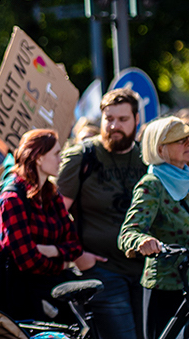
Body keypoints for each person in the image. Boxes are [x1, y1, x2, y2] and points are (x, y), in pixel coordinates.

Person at [57, 88, 147, 339]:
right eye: (109, 119)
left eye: (123, 119)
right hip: (104, 272)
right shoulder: (82, 157)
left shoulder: (147, 158)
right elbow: (57, 215)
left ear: (136, 120)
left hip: (146, 272)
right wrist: (77, 254)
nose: (114, 126)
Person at [0, 129, 82, 322]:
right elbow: (26, 261)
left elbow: (75, 246)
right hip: (23, 301)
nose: (61, 159)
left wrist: (51, 250)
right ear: (39, 158)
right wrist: (61, 262)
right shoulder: (12, 200)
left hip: (52, 291)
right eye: (57, 154)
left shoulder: (52, 194)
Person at [118, 117, 189, 339]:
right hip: (166, 289)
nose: (188, 144)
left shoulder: (187, 177)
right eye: (181, 141)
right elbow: (127, 233)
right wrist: (141, 242)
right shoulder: (152, 184)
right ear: (161, 149)